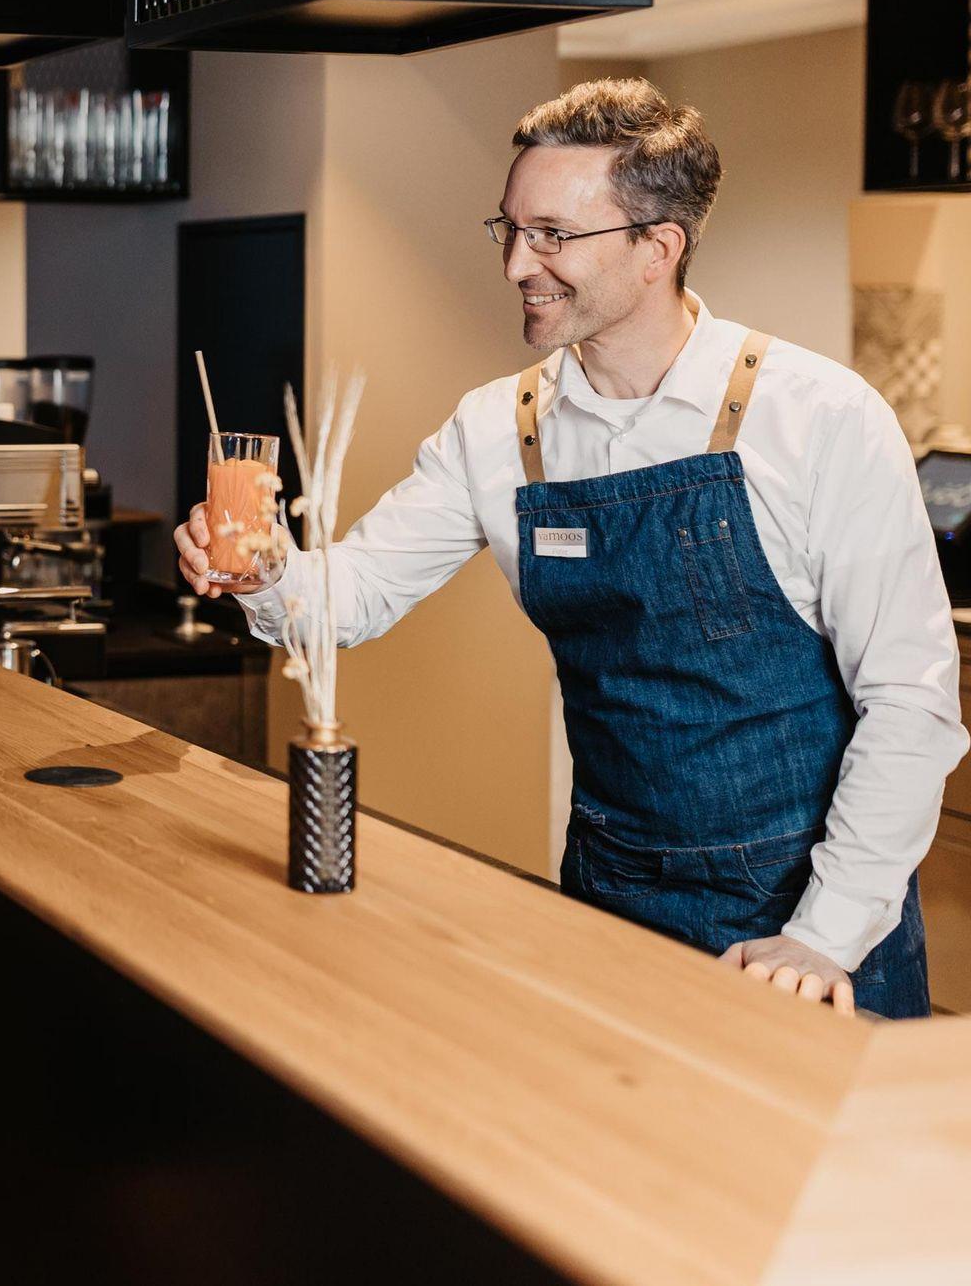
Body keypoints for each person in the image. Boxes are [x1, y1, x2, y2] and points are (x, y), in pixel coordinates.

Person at [177, 78, 966, 1019]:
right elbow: (351, 596)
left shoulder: (822, 417)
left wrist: (822, 937)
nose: (518, 263)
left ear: (658, 249)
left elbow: (911, 703)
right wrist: (265, 568)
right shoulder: (496, 430)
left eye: (552, 234)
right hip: (605, 896)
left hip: (809, 927)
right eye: (510, 229)